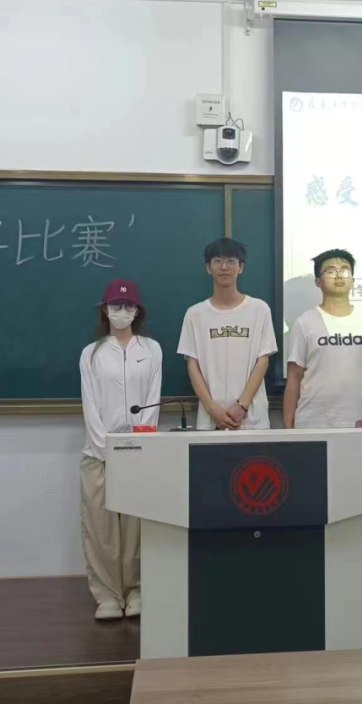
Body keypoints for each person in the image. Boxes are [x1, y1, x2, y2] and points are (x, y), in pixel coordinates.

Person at [79, 278, 162, 621]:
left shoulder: (151, 349)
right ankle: (108, 595)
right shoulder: (91, 353)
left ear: (137, 311)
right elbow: (90, 406)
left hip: (138, 451)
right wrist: (105, 450)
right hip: (98, 454)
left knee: (135, 528)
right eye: (115, 305)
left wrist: (138, 442)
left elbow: (152, 402)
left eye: (128, 306)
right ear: (105, 309)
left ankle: (136, 590)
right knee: (101, 528)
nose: (122, 311)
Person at [178, 238, 278, 431]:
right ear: (208, 268)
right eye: (217, 261)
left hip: (252, 419)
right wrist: (212, 409)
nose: (224, 267)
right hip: (210, 420)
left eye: (231, 261)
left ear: (241, 267)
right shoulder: (195, 314)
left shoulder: (259, 309)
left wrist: (242, 406)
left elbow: (263, 361)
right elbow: (192, 365)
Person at [284, 249, 362, 429]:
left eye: (345, 270)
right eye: (331, 271)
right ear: (318, 281)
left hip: (361, 421)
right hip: (312, 422)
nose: (339, 275)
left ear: (353, 280)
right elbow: (294, 377)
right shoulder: (304, 323)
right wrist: (288, 428)